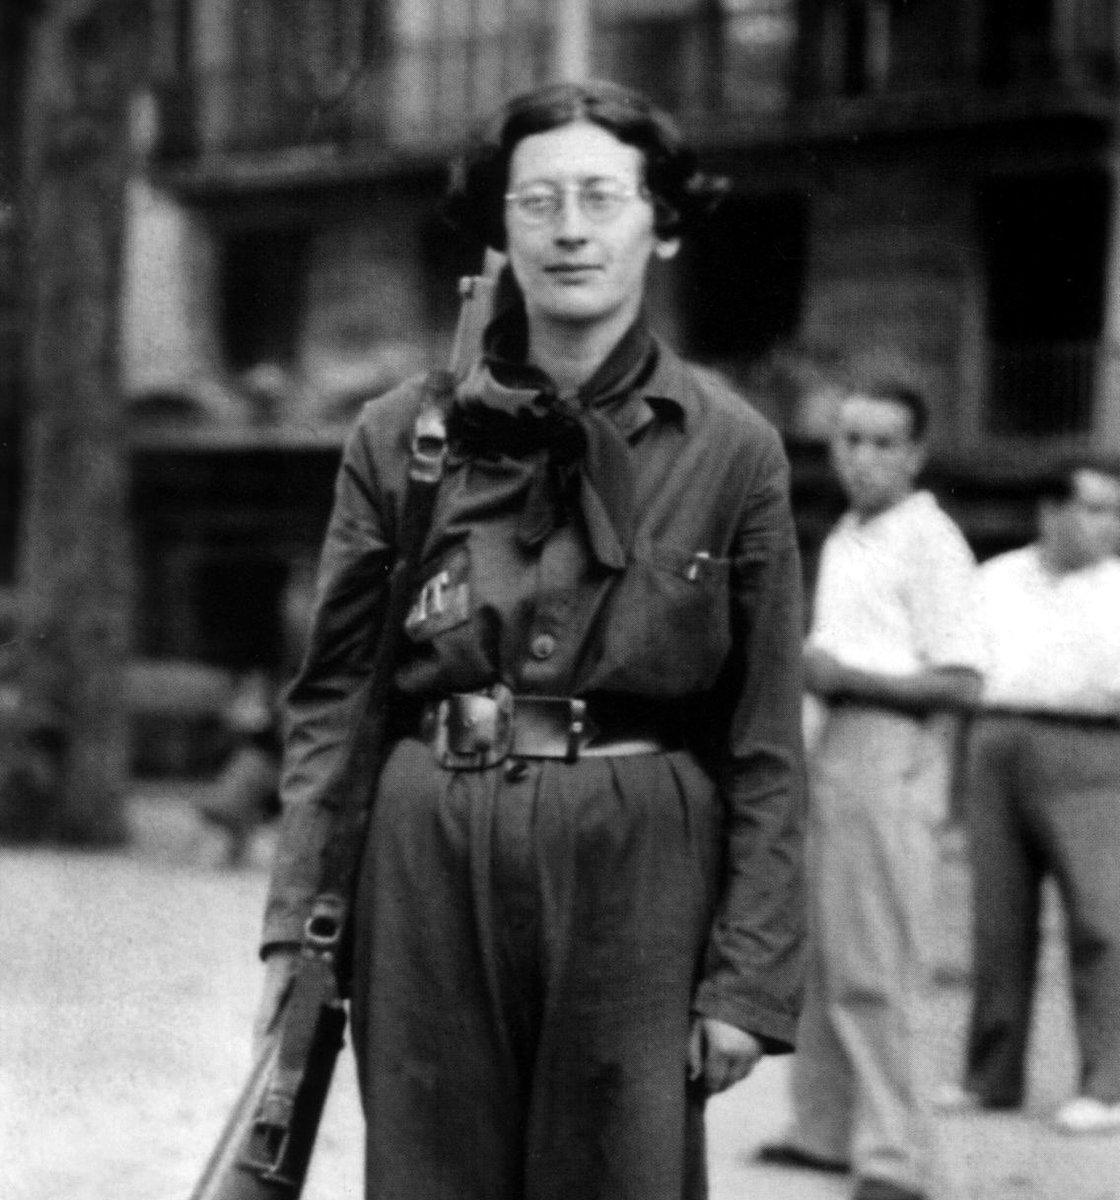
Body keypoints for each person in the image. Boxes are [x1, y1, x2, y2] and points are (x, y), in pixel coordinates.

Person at [254, 80, 807, 1200]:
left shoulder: (734, 450)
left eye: (602, 198)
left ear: (660, 225)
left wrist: (747, 977)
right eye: (538, 201)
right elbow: (336, 697)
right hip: (426, 849)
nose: (569, 230)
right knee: (430, 1173)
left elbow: (763, 738)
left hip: (639, 857)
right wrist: (292, 933)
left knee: (620, 1175)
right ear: (500, 227)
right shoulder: (401, 434)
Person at [758, 369, 984, 1200]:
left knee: (877, 963)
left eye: (884, 443)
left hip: (891, 751)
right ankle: (824, 1131)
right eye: (850, 440)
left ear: (916, 453)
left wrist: (846, 677)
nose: (863, 458)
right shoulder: (851, 534)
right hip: (831, 749)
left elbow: (963, 679)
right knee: (823, 951)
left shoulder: (932, 541)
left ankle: (898, 1158)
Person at [937, 463, 1120, 1134]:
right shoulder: (996, 581)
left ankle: (1106, 1083)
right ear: (1051, 511)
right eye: (1095, 509)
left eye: (1115, 512)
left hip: (1092, 748)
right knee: (998, 920)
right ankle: (991, 1075)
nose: (1110, 525)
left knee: (1101, 919)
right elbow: (962, 670)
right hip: (996, 742)